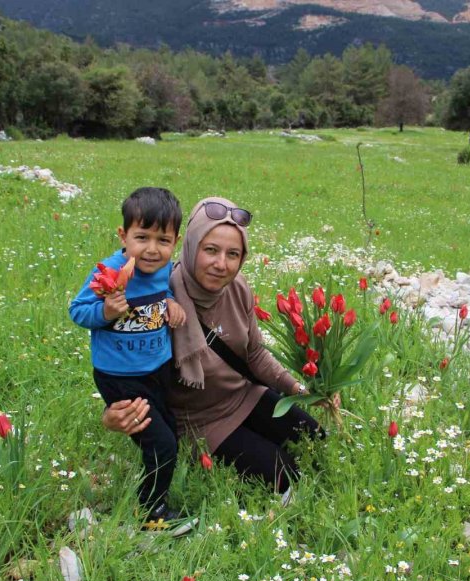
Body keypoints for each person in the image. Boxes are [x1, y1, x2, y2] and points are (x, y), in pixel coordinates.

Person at [103, 197, 323, 499]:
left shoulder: (238, 288)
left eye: (233, 254)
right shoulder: (159, 299)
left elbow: (255, 354)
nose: (221, 264)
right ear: (192, 246)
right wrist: (112, 414)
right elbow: (130, 366)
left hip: (244, 395)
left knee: (318, 440)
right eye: (211, 250)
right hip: (199, 421)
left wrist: (300, 390)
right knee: (285, 474)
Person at [69, 187, 189, 530]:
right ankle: (151, 512)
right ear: (123, 235)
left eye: (163, 240)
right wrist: (105, 310)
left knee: (169, 432)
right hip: (121, 375)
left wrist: (170, 302)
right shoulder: (108, 271)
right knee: (161, 443)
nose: (152, 249)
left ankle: (154, 484)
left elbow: (161, 291)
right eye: (142, 237)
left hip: (158, 368)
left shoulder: (162, 269)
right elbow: (78, 311)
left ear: (175, 242)